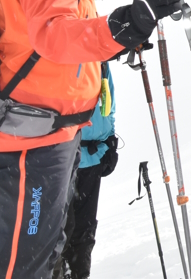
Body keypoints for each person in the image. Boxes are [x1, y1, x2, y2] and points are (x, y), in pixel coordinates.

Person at [0, 0, 184, 279]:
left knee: (44, 256)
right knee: (26, 266)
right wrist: (125, 24)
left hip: (41, 131)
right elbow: (55, 36)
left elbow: (53, 40)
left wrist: (122, 35)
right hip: (31, 143)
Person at [54, 64, 118, 279]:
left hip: (93, 157)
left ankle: (79, 274)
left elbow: (109, 104)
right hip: (64, 157)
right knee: (59, 228)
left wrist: (110, 140)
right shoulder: (70, 55)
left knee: (85, 228)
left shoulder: (100, 63)